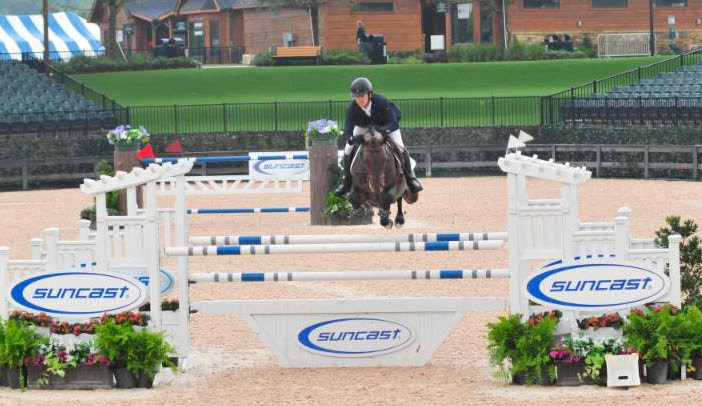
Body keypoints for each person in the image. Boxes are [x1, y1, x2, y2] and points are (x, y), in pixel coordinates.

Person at [334, 77, 423, 197]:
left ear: (370, 94)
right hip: (363, 127)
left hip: (385, 126)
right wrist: (353, 139)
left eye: (362, 96)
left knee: (400, 147)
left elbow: (393, 123)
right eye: (356, 97)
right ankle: (347, 183)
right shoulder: (352, 109)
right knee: (347, 149)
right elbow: (347, 131)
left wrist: (383, 131)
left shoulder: (381, 102)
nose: (359, 99)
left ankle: (410, 179)